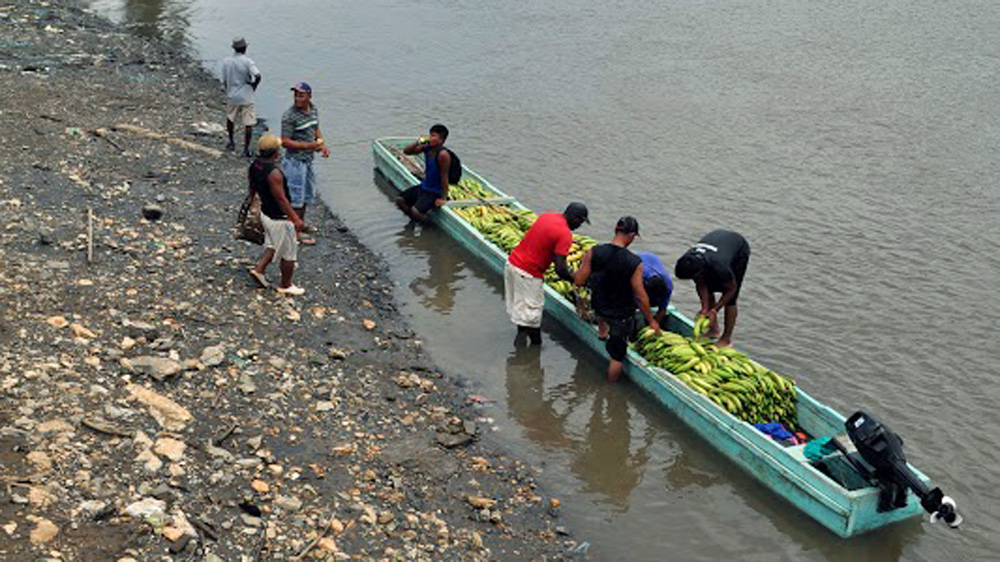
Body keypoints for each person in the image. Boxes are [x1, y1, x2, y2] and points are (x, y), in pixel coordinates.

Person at [574, 217, 660, 382]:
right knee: (617, 356)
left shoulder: (594, 251)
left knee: (602, 314)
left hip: (598, 306)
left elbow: (579, 280)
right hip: (620, 314)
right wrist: (651, 321)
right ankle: (611, 388)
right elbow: (640, 296)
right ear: (632, 235)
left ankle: (601, 335)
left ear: (616, 230)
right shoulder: (634, 262)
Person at [504, 202, 590, 345]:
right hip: (528, 274)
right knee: (532, 317)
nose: (579, 226)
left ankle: (520, 338)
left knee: (523, 311)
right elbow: (560, 269)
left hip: (512, 264)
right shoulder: (565, 234)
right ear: (575, 219)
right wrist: (574, 279)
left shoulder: (548, 216)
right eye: (580, 222)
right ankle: (535, 350)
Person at [247, 134, 307, 295]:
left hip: (265, 213)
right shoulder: (274, 173)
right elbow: (281, 199)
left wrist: (252, 202)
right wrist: (295, 219)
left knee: (273, 244)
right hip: (279, 218)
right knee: (289, 252)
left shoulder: (255, 165)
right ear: (275, 152)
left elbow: (252, 187)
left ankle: (259, 270)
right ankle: (286, 285)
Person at [674, 229, 751, 348]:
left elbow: (731, 289)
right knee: (708, 288)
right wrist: (705, 309)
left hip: (738, 249)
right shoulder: (688, 260)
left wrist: (715, 309)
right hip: (717, 244)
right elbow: (700, 284)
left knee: (731, 300)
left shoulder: (720, 266)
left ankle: (726, 339)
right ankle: (713, 330)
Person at [280, 82, 330, 245]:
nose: (297, 98)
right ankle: (295, 232)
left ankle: (300, 223)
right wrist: (309, 146)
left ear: (309, 96)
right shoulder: (289, 116)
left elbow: (316, 129)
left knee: (306, 195)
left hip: (308, 161)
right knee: (295, 198)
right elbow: (285, 142)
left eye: (301, 95)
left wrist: (322, 145)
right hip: (294, 163)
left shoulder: (313, 110)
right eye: (295, 95)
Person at [396, 124, 452, 223]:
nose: (430, 138)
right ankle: (413, 221)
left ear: (441, 140)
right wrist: (418, 141)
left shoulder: (443, 155)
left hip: (435, 192)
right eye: (430, 135)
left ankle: (429, 226)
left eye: (433, 136)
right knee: (400, 200)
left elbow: (444, 177)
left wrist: (443, 199)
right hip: (424, 187)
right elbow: (407, 151)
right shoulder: (427, 148)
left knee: (415, 211)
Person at [219, 36, 261, 156]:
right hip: (246, 95)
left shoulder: (226, 61)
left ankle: (231, 141)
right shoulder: (247, 61)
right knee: (248, 122)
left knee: (230, 117)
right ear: (245, 48)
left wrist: (228, 90)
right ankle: (246, 149)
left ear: (234, 48)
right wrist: (254, 86)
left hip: (232, 94)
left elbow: (225, 80)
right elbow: (258, 76)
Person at [637, 251, 673, 326]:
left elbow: (662, 309)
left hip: (651, 261)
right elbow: (640, 298)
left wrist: (654, 324)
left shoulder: (668, 286)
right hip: (638, 260)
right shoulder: (638, 278)